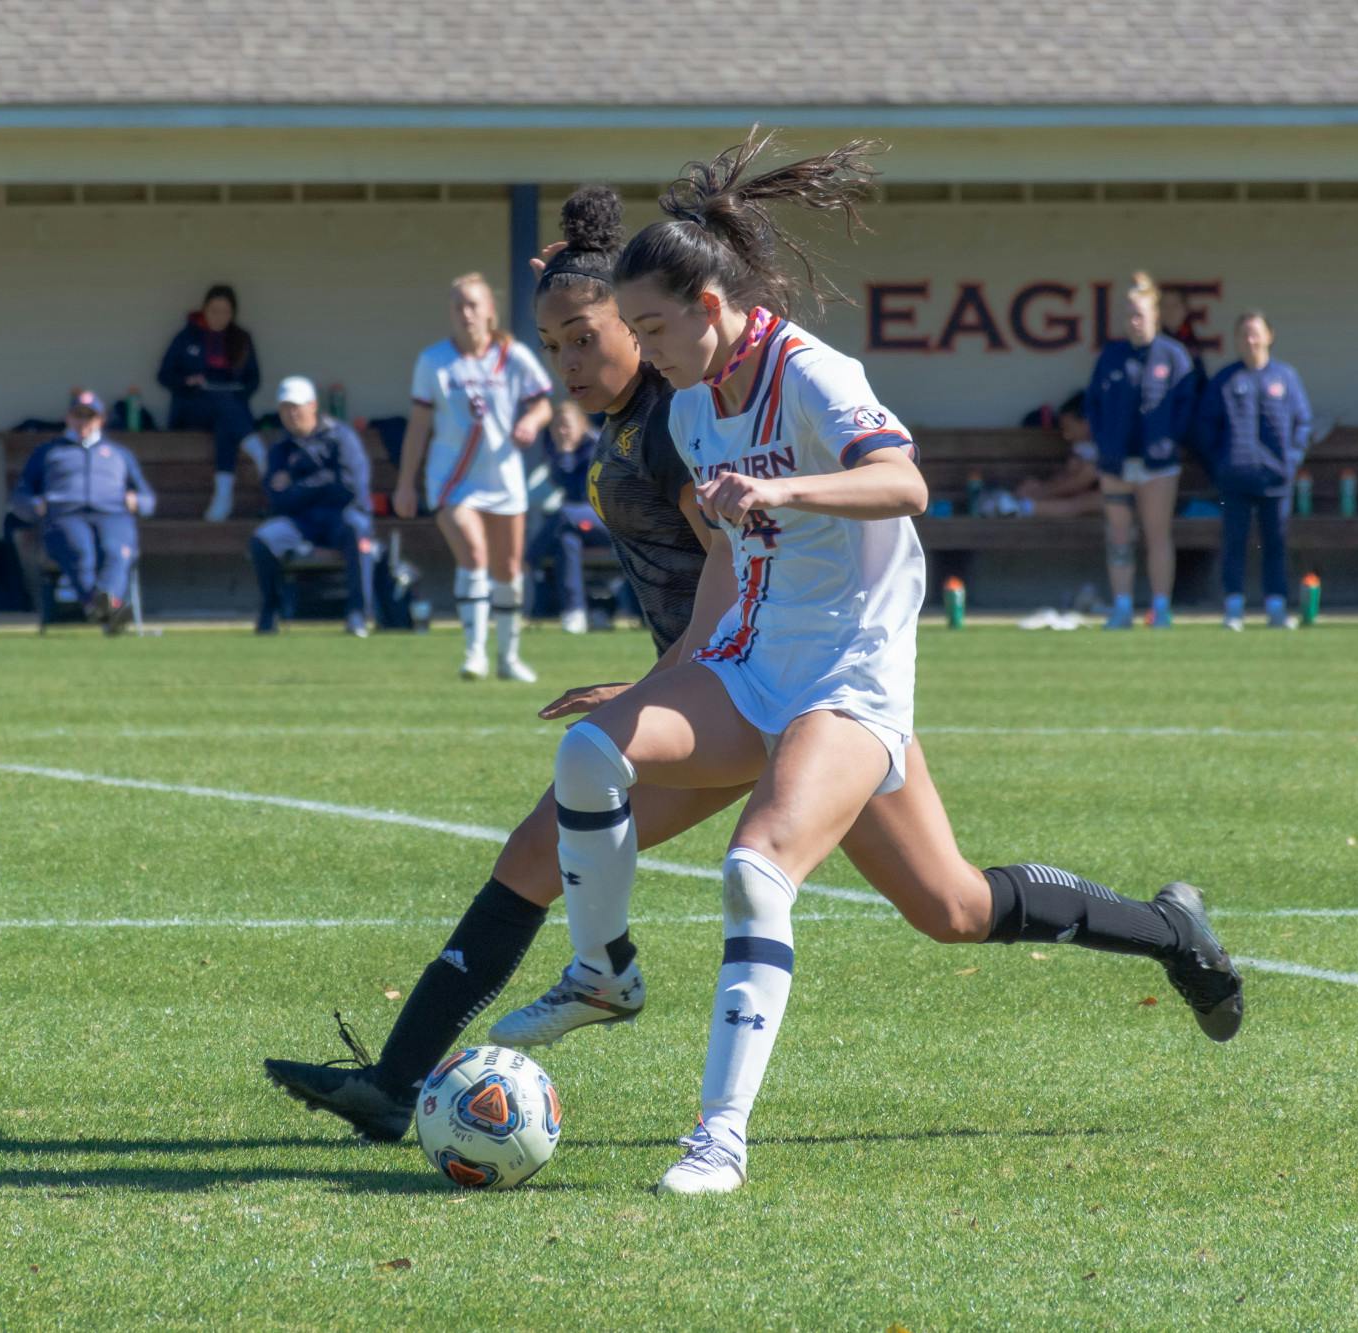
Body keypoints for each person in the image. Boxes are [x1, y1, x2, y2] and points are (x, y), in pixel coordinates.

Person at [263, 182, 1241, 1187]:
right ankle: (598, 975)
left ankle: (720, 1138)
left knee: (828, 882)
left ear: (708, 307)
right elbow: (728, 564)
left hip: (848, 679)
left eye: (644, 328)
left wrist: (781, 488)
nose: (636, 349)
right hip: (752, 667)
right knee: (589, 756)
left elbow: (905, 483)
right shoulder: (694, 407)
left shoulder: (811, 372)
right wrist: (668, 682)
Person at [393, 272, 555, 681]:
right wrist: (405, 482)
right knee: (474, 552)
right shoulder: (434, 361)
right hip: (452, 478)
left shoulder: (513, 355)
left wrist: (531, 422)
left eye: (473, 305)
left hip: (503, 476)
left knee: (508, 568)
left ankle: (508, 658)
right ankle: (474, 653)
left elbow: (543, 404)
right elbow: (418, 425)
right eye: (458, 306)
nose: (465, 313)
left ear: (489, 311)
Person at [1084, 273, 1196, 629]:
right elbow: (1093, 404)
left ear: (1155, 316)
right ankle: (1122, 607)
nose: (1135, 321)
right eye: (1130, 314)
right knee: (1118, 536)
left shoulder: (1174, 355)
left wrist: (1167, 442)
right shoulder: (1111, 356)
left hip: (1158, 466)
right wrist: (1105, 444)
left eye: (1141, 314)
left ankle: (1160, 608)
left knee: (1157, 534)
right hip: (1115, 464)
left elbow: (1186, 406)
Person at [1199, 312, 1313, 631]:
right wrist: (1221, 463)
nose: (1250, 340)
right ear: (1236, 340)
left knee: (1275, 543)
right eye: (1244, 334)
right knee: (1233, 542)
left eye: (1255, 333)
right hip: (1234, 480)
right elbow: (1205, 428)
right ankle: (1233, 607)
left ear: (1269, 336)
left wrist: (1291, 460)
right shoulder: (1225, 380)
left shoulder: (1285, 377)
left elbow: (1303, 423)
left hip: (1276, 480)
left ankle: (1276, 606)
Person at [9, 389, 156, 635]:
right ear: (68, 418)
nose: (83, 422)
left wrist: (137, 501)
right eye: (78, 415)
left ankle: (102, 606)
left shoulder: (119, 454)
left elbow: (147, 497)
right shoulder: (48, 452)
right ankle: (109, 611)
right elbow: (20, 495)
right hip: (65, 515)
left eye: (90, 416)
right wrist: (34, 506)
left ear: (101, 420)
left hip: (113, 515)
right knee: (80, 551)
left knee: (116, 551)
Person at [246, 376, 376, 637]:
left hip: (342, 517)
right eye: (285, 408)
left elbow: (349, 486)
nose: (291, 413)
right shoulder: (280, 448)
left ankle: (357, 614)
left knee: (358, 531)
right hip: (301, 522)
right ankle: (271, 610)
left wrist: (297, 483)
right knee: (263, 540)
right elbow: (276, 496)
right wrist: (323, 482)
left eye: (297, 406)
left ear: (313, 405)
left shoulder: (341, 437)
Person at [157, 283, 262, 522]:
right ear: (204, 309)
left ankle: (223, 496)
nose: (219, 316)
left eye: (225, 312)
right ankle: (257, 450)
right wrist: (187, 381)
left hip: (228, 412)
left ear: (233, 313)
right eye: (214, 310)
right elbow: (164, 375)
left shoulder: (242, 339)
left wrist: (238, 390)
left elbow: (253, 380)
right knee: (223, 406)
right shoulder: (187, 337)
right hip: (192, 408)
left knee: (225, 421)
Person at [528, 399, 611, 632]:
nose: (561, 431)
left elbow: (582, 493)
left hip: (607, 521)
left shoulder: (595, 446)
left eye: (566, 425)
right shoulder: (556, 449)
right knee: (566, 540)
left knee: (564, 515)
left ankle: (527, 560)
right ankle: (575, 612)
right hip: (579, 523)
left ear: (581, 425)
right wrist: (563, 454)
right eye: (556, 426)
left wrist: (565, 454)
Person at [1009, 392, 1101, 518]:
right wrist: (1040, 486)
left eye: (1068, 428)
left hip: (1118, 497)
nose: (1066, 435)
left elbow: (1084, 478)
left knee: (1084, 501)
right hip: (1091, 491)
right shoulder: (1083, 446)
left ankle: (1019, 508)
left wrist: (1040, 493)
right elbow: (1069, 476)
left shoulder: (1109, 443)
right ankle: (1019, 506)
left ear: (1087, 422)